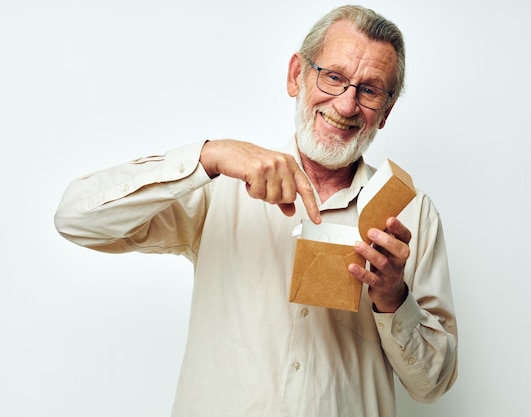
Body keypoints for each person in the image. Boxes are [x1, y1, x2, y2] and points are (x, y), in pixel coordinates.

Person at [54, 5, 457, 417]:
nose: (347, 104)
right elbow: (76, 219)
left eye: (370, 90)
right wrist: (209, 156)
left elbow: (433, 385)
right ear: (295, 75)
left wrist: (393, 297)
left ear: (386, 112)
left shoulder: (412, 216)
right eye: (333, 77)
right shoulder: (220, 183)